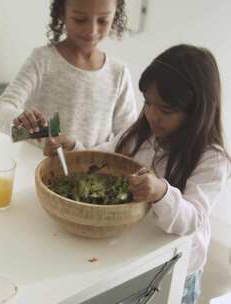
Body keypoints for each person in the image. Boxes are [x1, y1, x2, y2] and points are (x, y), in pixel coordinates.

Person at [45, 44, 230, 304]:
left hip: (177, 269)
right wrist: (74, 150)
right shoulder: (141, 132)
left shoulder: (212, 159)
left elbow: (192, 220)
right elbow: (106, 158)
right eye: (148, 103)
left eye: (165, 110)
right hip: (134, 253)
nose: (152, 115)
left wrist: (161, 192)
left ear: (196, 112)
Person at [0, 0, 137, 149]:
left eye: (103, 20)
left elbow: (128, 140)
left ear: (115, 17)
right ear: (62, 13)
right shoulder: (43, 60)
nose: (92, 30)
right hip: (33, 166)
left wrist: (76, 150)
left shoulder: (118, 74)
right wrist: (22, 125)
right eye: (80, 19)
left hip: (90, 170)